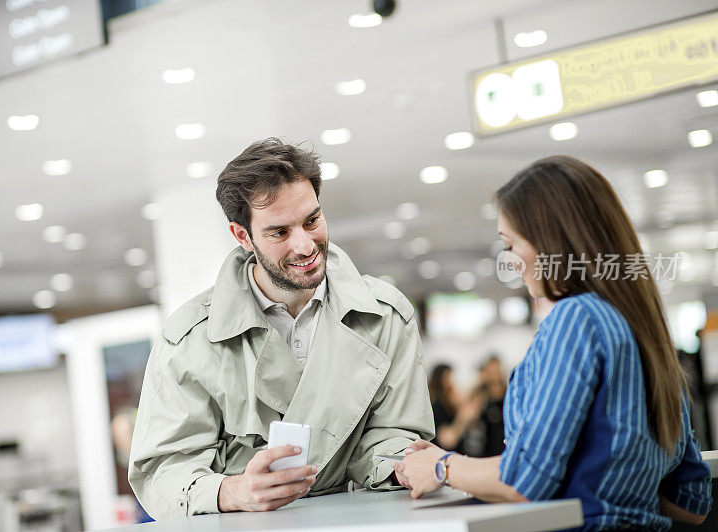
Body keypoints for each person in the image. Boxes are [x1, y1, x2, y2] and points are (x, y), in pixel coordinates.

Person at [395, 156, 711, 530]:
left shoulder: (576, 319)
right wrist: (606, 478)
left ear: (551, 243)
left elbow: (525, 482)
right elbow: (692, 500)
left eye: (511, 245)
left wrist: (442, 466)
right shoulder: (643, 327)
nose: (509, 262)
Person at [128, 138, 434, 518]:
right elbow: (161, 471)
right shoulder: (190, 338)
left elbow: (393, 438)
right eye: (279, 233)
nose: (305, 246)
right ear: (243, 236)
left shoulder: (388, 316)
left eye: (312, 221)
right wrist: (233, 491)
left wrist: (408, 463)